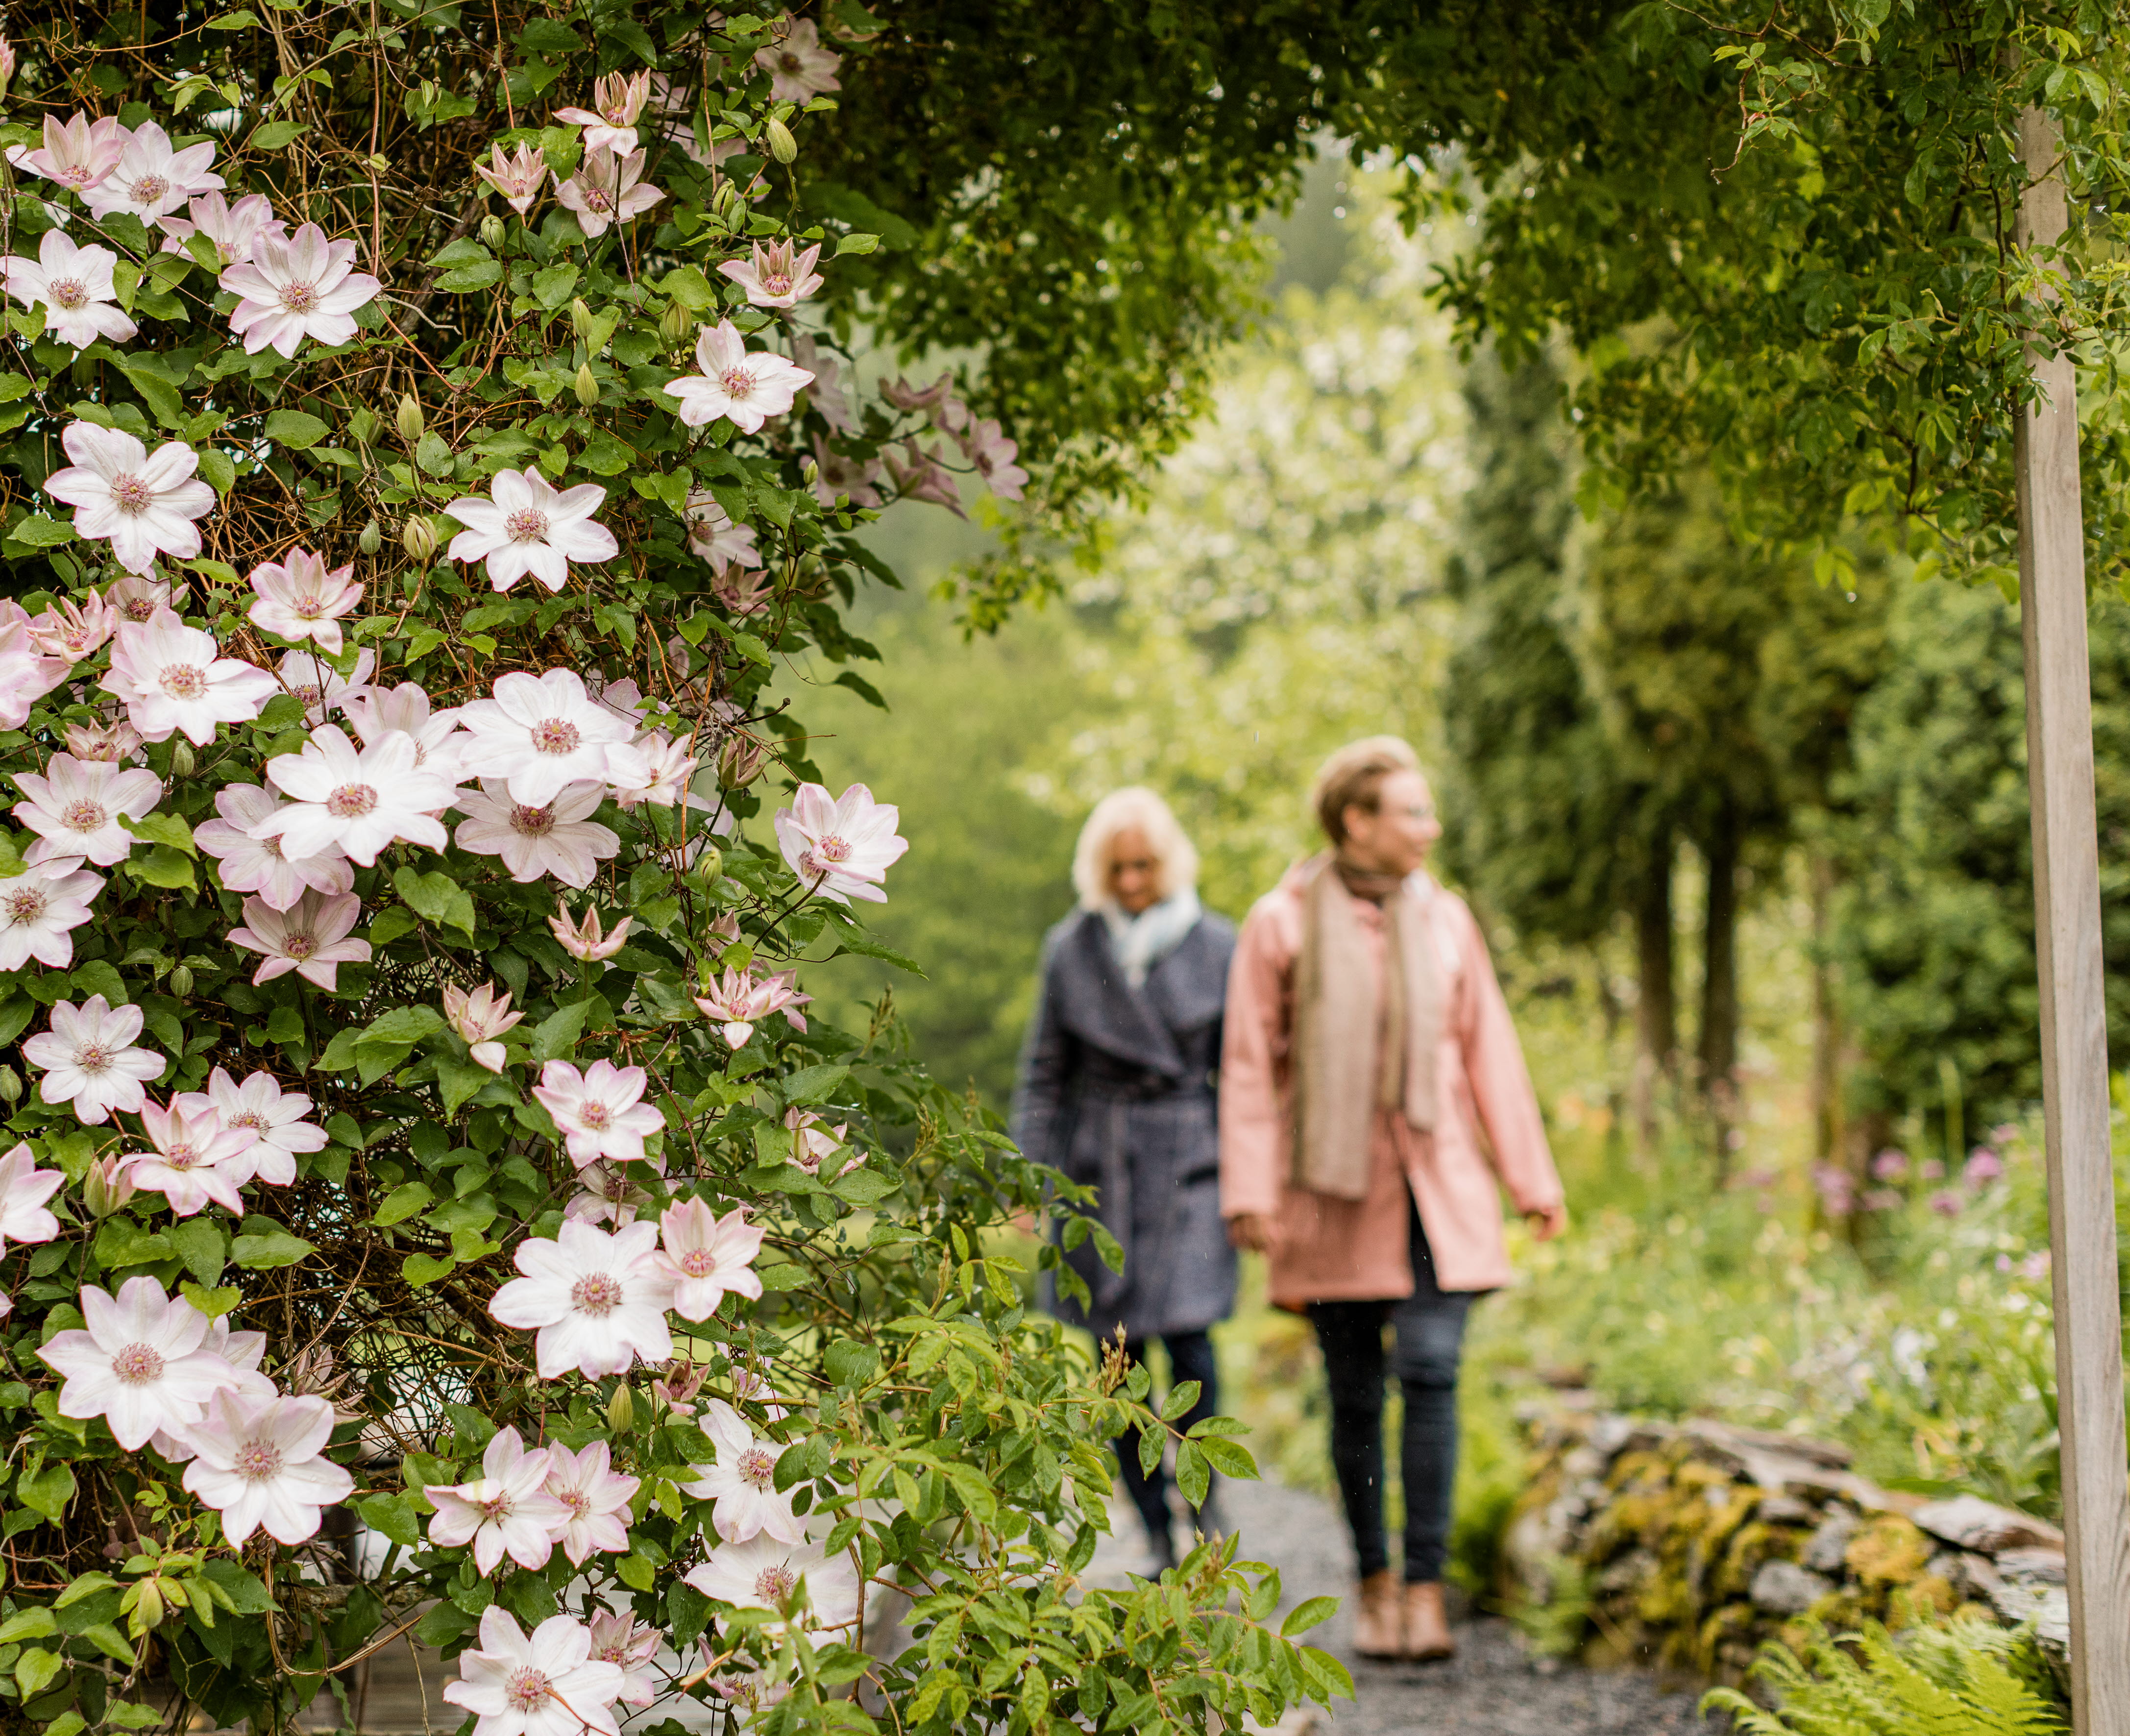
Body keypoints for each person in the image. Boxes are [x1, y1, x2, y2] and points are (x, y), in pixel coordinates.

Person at [1219, 737, 1566, 1662]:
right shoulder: (1281, 922)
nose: (1431, 827)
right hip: (1331, 1193)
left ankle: (1425, 1588)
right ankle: (1371, 1581)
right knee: (1355, 1394)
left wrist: (1532, 1180)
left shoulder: (1447, 918)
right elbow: (1250, 1066)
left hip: (1438, 1186)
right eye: (1411, 811)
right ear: (1355, 821)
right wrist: (1248, 1190)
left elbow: (1490, 1049)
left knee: (1434, 1370)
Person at [1012, 787, 1238, 1569]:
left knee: (1194, 1341)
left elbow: (1241, 1077)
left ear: (1167, 862)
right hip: (1100, 1165)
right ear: (1098, 870)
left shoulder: (1217, 944)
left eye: (1145, 865)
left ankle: (1211, 1521)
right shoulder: (1071, 947)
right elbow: (1044, 1074)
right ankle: (1155, 1533)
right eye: (1119, 868)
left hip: (1190, 1162)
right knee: (1120, 1359)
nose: (1134, 881)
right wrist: (1029, 1179)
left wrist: (1254, 1186)